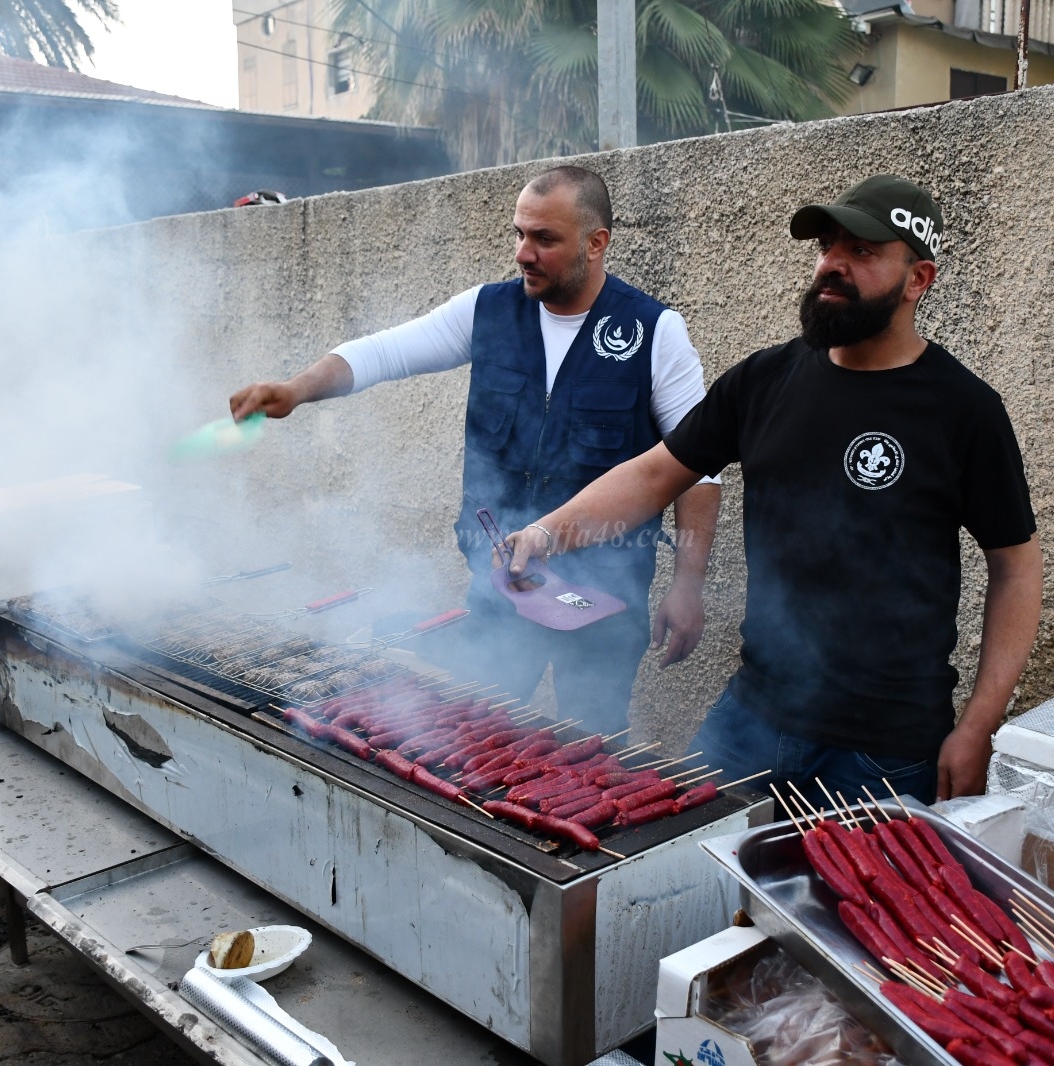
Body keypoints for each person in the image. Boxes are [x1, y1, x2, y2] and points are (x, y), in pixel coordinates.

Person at [500, 174, 1042, 804]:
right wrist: (545, 533)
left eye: (862, 253)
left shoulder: (964, 409)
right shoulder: (765, 379)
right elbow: (653, 475)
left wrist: (979, 724)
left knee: (847, 903)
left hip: (886, 748)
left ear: (918, 280)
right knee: (690, 882)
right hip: (752, 718)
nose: (832, 266)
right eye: (828, 247)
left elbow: (1016, 568)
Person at [231, 165, 721, 736]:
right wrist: (295, 389)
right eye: (518, 234)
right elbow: (383, 353)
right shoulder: (487, 311)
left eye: (544, 239)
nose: (523, 253)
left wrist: (688, 586)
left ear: (597, 242)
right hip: (500, 586)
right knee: (473, 735)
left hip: (602, 600)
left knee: (591, 748)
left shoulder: (654, 331)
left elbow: (700, 468)